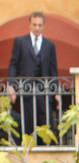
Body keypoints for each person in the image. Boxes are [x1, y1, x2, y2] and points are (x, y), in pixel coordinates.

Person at [6, 11, 59, 142]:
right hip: (26, 89)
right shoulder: (20, 42)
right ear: (29, 25)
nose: (37, 28)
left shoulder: (49, 45)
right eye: (34, 24)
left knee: (45, 122)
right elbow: (13, 64)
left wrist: (56, 91)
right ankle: (29, 150)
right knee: (28, 122)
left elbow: (53, 69)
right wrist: (11, 85)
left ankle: (43, 150)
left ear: (44, 26)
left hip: (44, 90)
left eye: (40, 25)